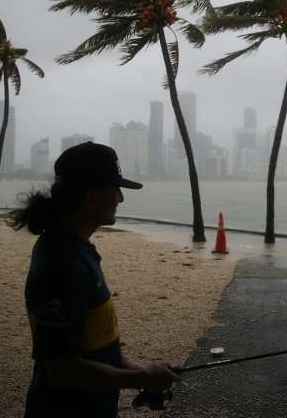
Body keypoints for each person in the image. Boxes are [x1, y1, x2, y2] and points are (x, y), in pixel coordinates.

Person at [9, 142, 178, 417]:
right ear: (91, 197)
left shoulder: (74, 248)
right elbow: (61, 370)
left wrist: (143, 372)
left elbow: (95, 348)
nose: (121, 199)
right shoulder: (62, 264)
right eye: (116, 190)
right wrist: (138, 379)